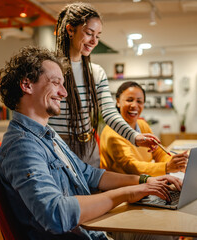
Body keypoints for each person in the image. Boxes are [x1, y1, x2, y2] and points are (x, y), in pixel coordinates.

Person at [0, 45, 182, 240]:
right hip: (83, 235)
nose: (64, 93)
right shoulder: (22, 146)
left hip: (92, 231)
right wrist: (129, 193)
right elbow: (56, 215)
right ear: (27, 85)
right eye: (55, 83)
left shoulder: (48, 134)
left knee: (166, 228)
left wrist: (146, 181)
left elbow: (90, 174)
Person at [48, 2, 159, 168]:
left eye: (98, 36)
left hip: (88, 148)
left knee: (93, 191)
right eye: (89, 33)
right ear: (70, 30)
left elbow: (108, 112)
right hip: (56, 146)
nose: (94, 41)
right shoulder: (48, 69)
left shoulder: (96, 72)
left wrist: (135, 137)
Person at [100, 81, 188, 176]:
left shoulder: (142, 124)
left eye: (139, 101)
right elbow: (129, 166)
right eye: (129, 100)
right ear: (118, 102)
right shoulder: (112, 132)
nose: (134, 105)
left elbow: (158, 152)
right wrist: (166, 167)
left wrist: (176, 163)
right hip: (122, 187)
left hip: (145, 180)